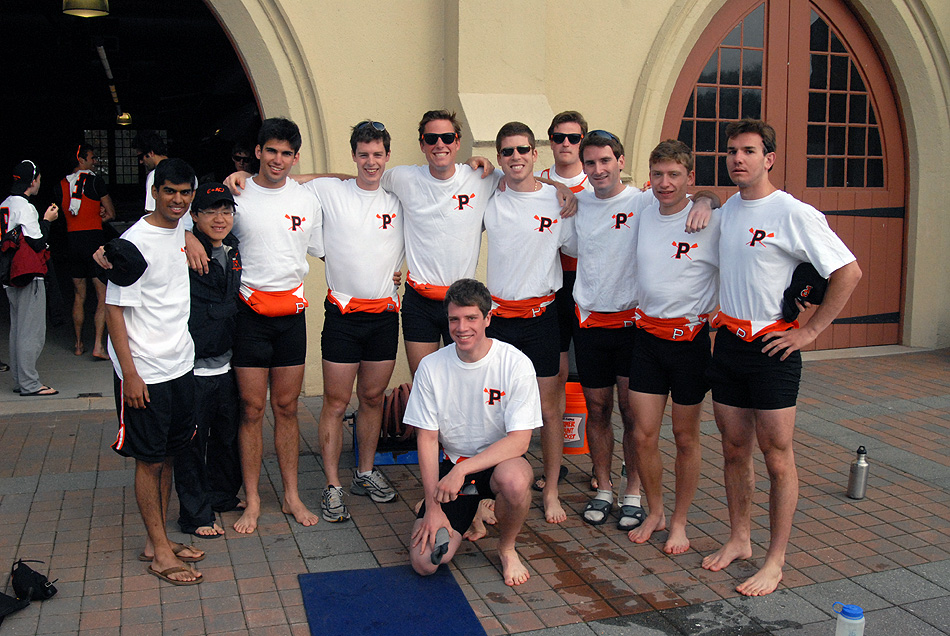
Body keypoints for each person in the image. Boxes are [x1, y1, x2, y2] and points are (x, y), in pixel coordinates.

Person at [701, 119, 861, 596]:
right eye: (732, 151)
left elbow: (848, 272)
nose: (738, 159)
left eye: (748, 151)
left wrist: (810, 331)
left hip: (773, 349)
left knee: (777, 458)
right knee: (732, 450)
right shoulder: (728, 211)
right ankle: (739, 539)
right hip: (729, 343)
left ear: (769, 158)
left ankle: (776, 560)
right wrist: (703, 199)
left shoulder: (794, 212)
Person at [564, 131, 715, 529]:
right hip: (591, 323)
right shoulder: (577, 204)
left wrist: (706, 199)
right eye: (590, 163)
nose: (598, 170)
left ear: (620, 161)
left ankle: (634, 490)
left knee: (635, 417)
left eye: (605, 161)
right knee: (597, 409)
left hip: (634, 325)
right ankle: (602, 485)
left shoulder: (643, 200)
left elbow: (690, 189)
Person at [192, 118, 323, 534]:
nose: (278, 160)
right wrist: (189, 238)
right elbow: (191, 217)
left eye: (287, 153)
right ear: (258, 151)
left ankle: (290, 495)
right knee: (251, 409)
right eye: (272, 151)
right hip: (248, 315)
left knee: (287, 408)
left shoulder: (307, 199)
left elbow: (328, 247)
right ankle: (251, 500)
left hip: (292, 315)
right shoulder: (239, 194)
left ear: (295, 157)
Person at [105, 158, 204, 585]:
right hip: (144, 370)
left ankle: (155, 540)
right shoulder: (133, 243)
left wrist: (191, 234)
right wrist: (130, 374)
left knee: (167, 454)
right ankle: (161, 553)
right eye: (170, 192)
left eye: (185, 193)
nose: (178, 200)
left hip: (180, 363)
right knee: (148, 461)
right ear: (155, 192)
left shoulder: (180, 231)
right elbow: (112, 311)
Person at [405, 279, 540, 587]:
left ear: (488, 318)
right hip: (455, 472)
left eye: (471, 318)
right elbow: (426, 438)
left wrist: (463, 469)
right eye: (454, 319)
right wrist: (433, 508)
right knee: (424, 564)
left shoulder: (514, 363)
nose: (461, 327)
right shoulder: (431, 366)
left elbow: (520, 440)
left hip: (496, 465)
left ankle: (506, 547)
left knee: (516, 481)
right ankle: (471, 509)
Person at [305, 120, 403, 522]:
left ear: (387, 156)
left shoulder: (397, 201)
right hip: (343, 317)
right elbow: (288, 181)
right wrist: (334, 174)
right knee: (335, 401)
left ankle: (365, 470)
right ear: (353, 156)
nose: (370, 162)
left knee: (373, 399)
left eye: (377, 154)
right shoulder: (331, 190)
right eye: (363, 154)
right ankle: (332, 485)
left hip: (383, 316)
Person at [628, 140, 720, 554]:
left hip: (689, 343)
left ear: (690, 178)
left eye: (674, 175)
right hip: (646, 338)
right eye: (658, 174)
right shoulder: (644, 212)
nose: (665, 184)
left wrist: (706, 201)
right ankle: (656, 510)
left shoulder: (708, 219)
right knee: (643, 434)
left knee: (685, 438)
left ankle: (680, 522)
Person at [483, 122, 573, 524]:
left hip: (542, 317)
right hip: (500, 319)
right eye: (506, 152)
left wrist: (564, 190)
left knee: (549, 409)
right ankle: (490, 489)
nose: (515, 157)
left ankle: (551, 489)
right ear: (499, 157)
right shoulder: (489, 194)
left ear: (536, 154)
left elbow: (580, 249)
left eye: (522, 150)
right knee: (496, 408)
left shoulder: (559, 203)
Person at [380, 110, 504, 375]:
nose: (440, 144)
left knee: (466, 378)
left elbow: (523, 180)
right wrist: (295, 183)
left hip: (462, 300)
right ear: (422, 144)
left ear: (457, 142)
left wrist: (560, 188)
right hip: (419, 301)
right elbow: (359, 183)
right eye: (432, 138)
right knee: (425, 380)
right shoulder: (403, 178)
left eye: (447, 137)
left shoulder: (481, 178)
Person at [173, 182, 243, 538]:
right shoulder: (179, 250)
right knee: (191, 445)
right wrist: (184, 236)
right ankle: (195, 514)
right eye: (211, 211)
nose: (220, 218)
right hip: (193, 368)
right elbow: (143, 233)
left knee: (225, 436)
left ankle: (221, 496)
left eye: (226, 210)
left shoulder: (233, 250)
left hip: (226, 365)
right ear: (195, 215)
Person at [3, 160, 59, 397]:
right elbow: (38, 243)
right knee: (31, 332)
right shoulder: (26, 207)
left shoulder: (5, 204)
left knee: (17, 330)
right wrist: (47, 220)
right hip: (27, 274)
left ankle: (20, 380)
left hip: (9, 275)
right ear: (32, 180)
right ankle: (30, 383)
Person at [60, 144, 116, 359]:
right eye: (92, 158)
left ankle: (77, 344)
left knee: (79, 295)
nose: (95, 162)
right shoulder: (95, 181)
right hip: (94, 241)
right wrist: (97, 216)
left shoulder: (62, 184)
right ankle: (98, 346)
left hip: (72, 241)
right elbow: (110, 213)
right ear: (81, 160)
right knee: (102, 296)